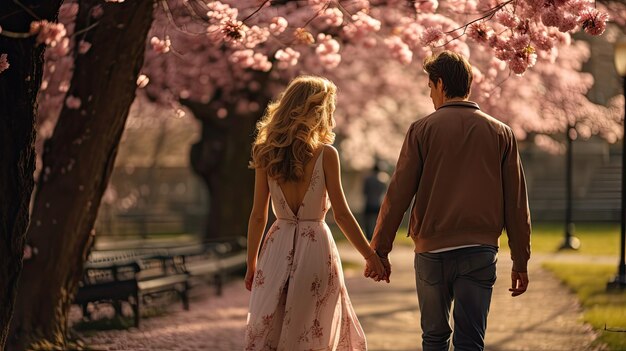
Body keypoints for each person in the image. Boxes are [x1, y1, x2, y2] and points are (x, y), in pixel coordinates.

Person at [365, 51, 532, 351]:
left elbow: (397, 196)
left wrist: (379, 250)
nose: (430, 95)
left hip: (432, 253)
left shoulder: (421, 130)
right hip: (479, 252)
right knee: (471, 342)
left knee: (434, 338)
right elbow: (516, 204)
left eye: (430, 87)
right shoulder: (501, 133)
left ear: (440, 84)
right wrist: (520, 260)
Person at [244, 75, 386, 351]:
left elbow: (258, 215)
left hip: (276, 247)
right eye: (329, 107)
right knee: (311, 330)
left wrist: (252, 262)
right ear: (316, 110)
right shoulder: (326, 155)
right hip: (316, 248)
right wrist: (371, 256)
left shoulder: (265, 152)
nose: (332, 114)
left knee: (271, 330)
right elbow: (342, 215)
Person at [362, 163, 388, 240]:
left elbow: (364, 192)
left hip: (369, 203)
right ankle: (377, 235)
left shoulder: (367, 180)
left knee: (367, 221)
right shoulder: (383, 180)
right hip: (378, 203)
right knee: (378, 222)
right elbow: (384, 192)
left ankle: (368, 236)